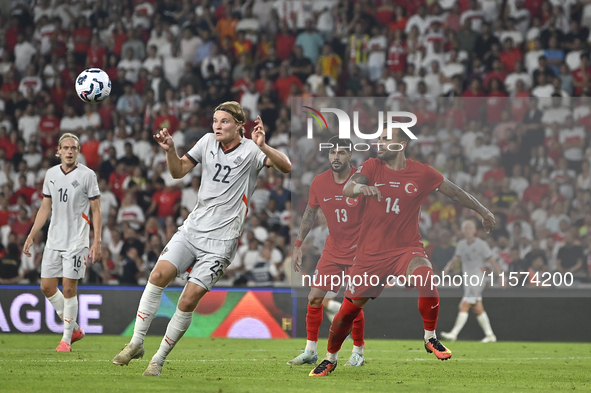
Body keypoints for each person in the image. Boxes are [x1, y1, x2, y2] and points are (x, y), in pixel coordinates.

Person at [112, 101, 291, 376]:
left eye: (224, 121)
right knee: (158, 275)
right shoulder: (207, 141)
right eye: (215, 120)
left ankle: (158, 359)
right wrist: (171, 151)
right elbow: (178, 171)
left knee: (187, 300)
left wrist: (264, 146)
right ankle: (136, 342)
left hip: (222, 241)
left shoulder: (252, 151)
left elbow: (286, 167)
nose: (217, 126)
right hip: (193, 229)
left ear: (239, 126)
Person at [309, 125, 496, 377]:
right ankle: (330, 358)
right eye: (379, 138)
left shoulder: (422, 173)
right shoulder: (372, 166)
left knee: (426, 276)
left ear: (402, 144)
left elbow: (456, 192)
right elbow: (348, 188)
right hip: (370, 255)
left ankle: (430, 337)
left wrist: (484, 211)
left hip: (406, 249)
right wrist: (361, 188)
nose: (380, 143)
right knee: (346, 313)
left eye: (386, 139)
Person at [288, 137, 366, 367]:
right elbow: (309, 214)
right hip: (333, 250)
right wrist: (298, 245)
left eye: (342, 152)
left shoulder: (362, 180)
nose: (336, 156)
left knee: (352, 303)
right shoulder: (320, 182)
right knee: (314, 298)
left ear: (350, 156)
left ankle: (358, 352)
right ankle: (310, 351)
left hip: (359, 252)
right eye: (332, 152)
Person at [23, 133, 102, 352]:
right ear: (58, 151)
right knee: (47, 287)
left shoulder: (88, 175)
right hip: (54, 240)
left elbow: (96, 209)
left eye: (73, 148)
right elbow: (45, 207)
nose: (69, 151)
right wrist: (31, 234)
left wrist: (97, 241)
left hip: (77, 241)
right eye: (65, 148)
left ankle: (66, 339)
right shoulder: (50, 174)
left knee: (69, 288)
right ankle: (75, 328)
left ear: (78, 151)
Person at [440, 219, 503, 343]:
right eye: (466, 228)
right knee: (478, 307)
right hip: (467, 279)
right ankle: (490, 335)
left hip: (478, 278)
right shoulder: (461, 244)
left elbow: (491, 260)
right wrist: (447, 269)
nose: (468, 230)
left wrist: (501, 276)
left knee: (464, 304)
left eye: (470, 228)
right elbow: (456, 259)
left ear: (475, 230)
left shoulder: (481, 244)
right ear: (462, 231)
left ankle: (454, 333)